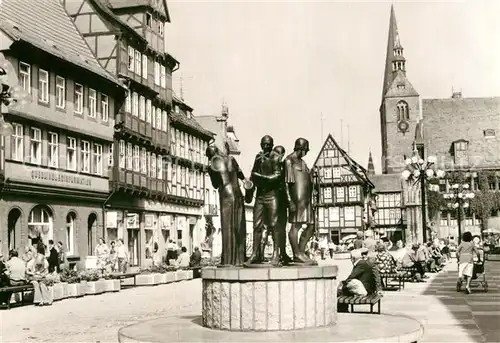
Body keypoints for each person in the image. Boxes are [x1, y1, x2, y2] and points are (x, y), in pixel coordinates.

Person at [206, 145, 247, 266]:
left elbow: (216, 184)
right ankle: (239, 259)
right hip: (237, 192)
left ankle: (228, 260)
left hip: (226, 194)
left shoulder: (214, 161)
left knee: (227, 227)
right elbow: (241, 175)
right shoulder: (231, 159)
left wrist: (210, 171)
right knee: (238, 226)